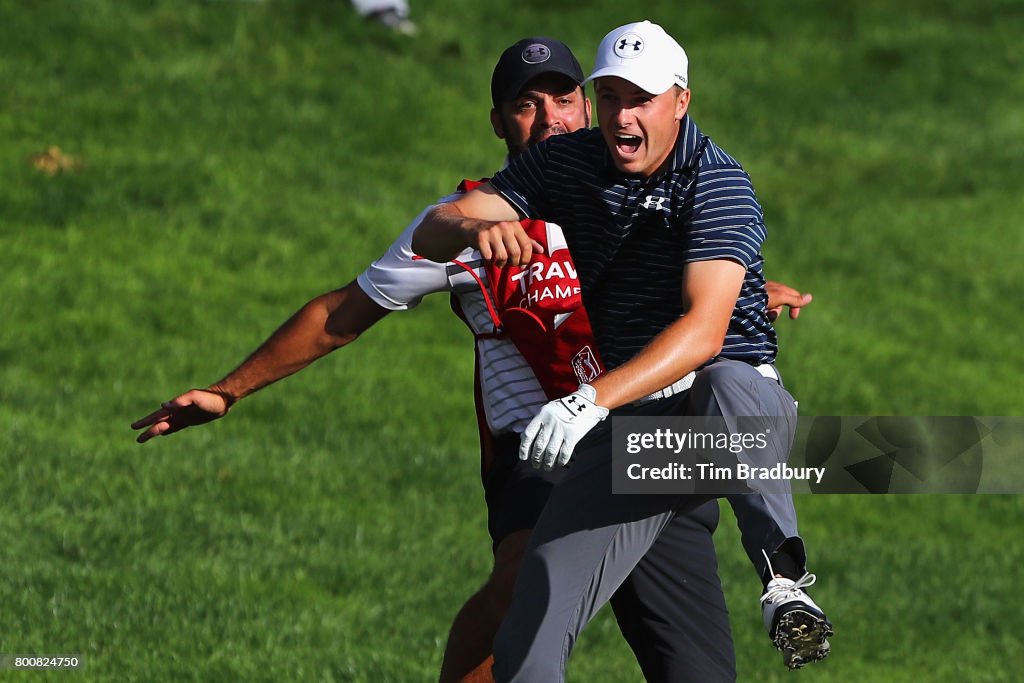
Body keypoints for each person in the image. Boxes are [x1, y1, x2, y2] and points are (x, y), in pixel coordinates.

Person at [412, 20, 833, 681]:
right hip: (642, 437)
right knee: (528, 637)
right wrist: (473, 225)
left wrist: (587, 400)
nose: (621, 115)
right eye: (609, 96)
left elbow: (705, 333)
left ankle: (785, 583)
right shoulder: (566, 162)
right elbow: (434, 232)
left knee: (725, 382)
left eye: (641, 98)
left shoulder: (718, 181)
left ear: (681, 102)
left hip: (730, 412)